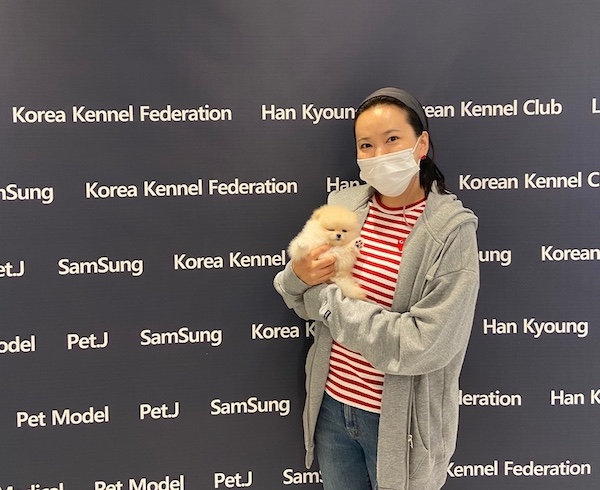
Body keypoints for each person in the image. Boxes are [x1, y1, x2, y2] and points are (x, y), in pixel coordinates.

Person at [274, 87, 479, 490]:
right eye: (366, 145)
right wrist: (298, 275)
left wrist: (327, 303)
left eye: (392, 139)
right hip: (333, 410)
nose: (379, 154)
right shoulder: (344, 206)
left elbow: (421, 345)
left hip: (401, 426)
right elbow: (292, 289)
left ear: (421, 144)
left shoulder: (450, 232)